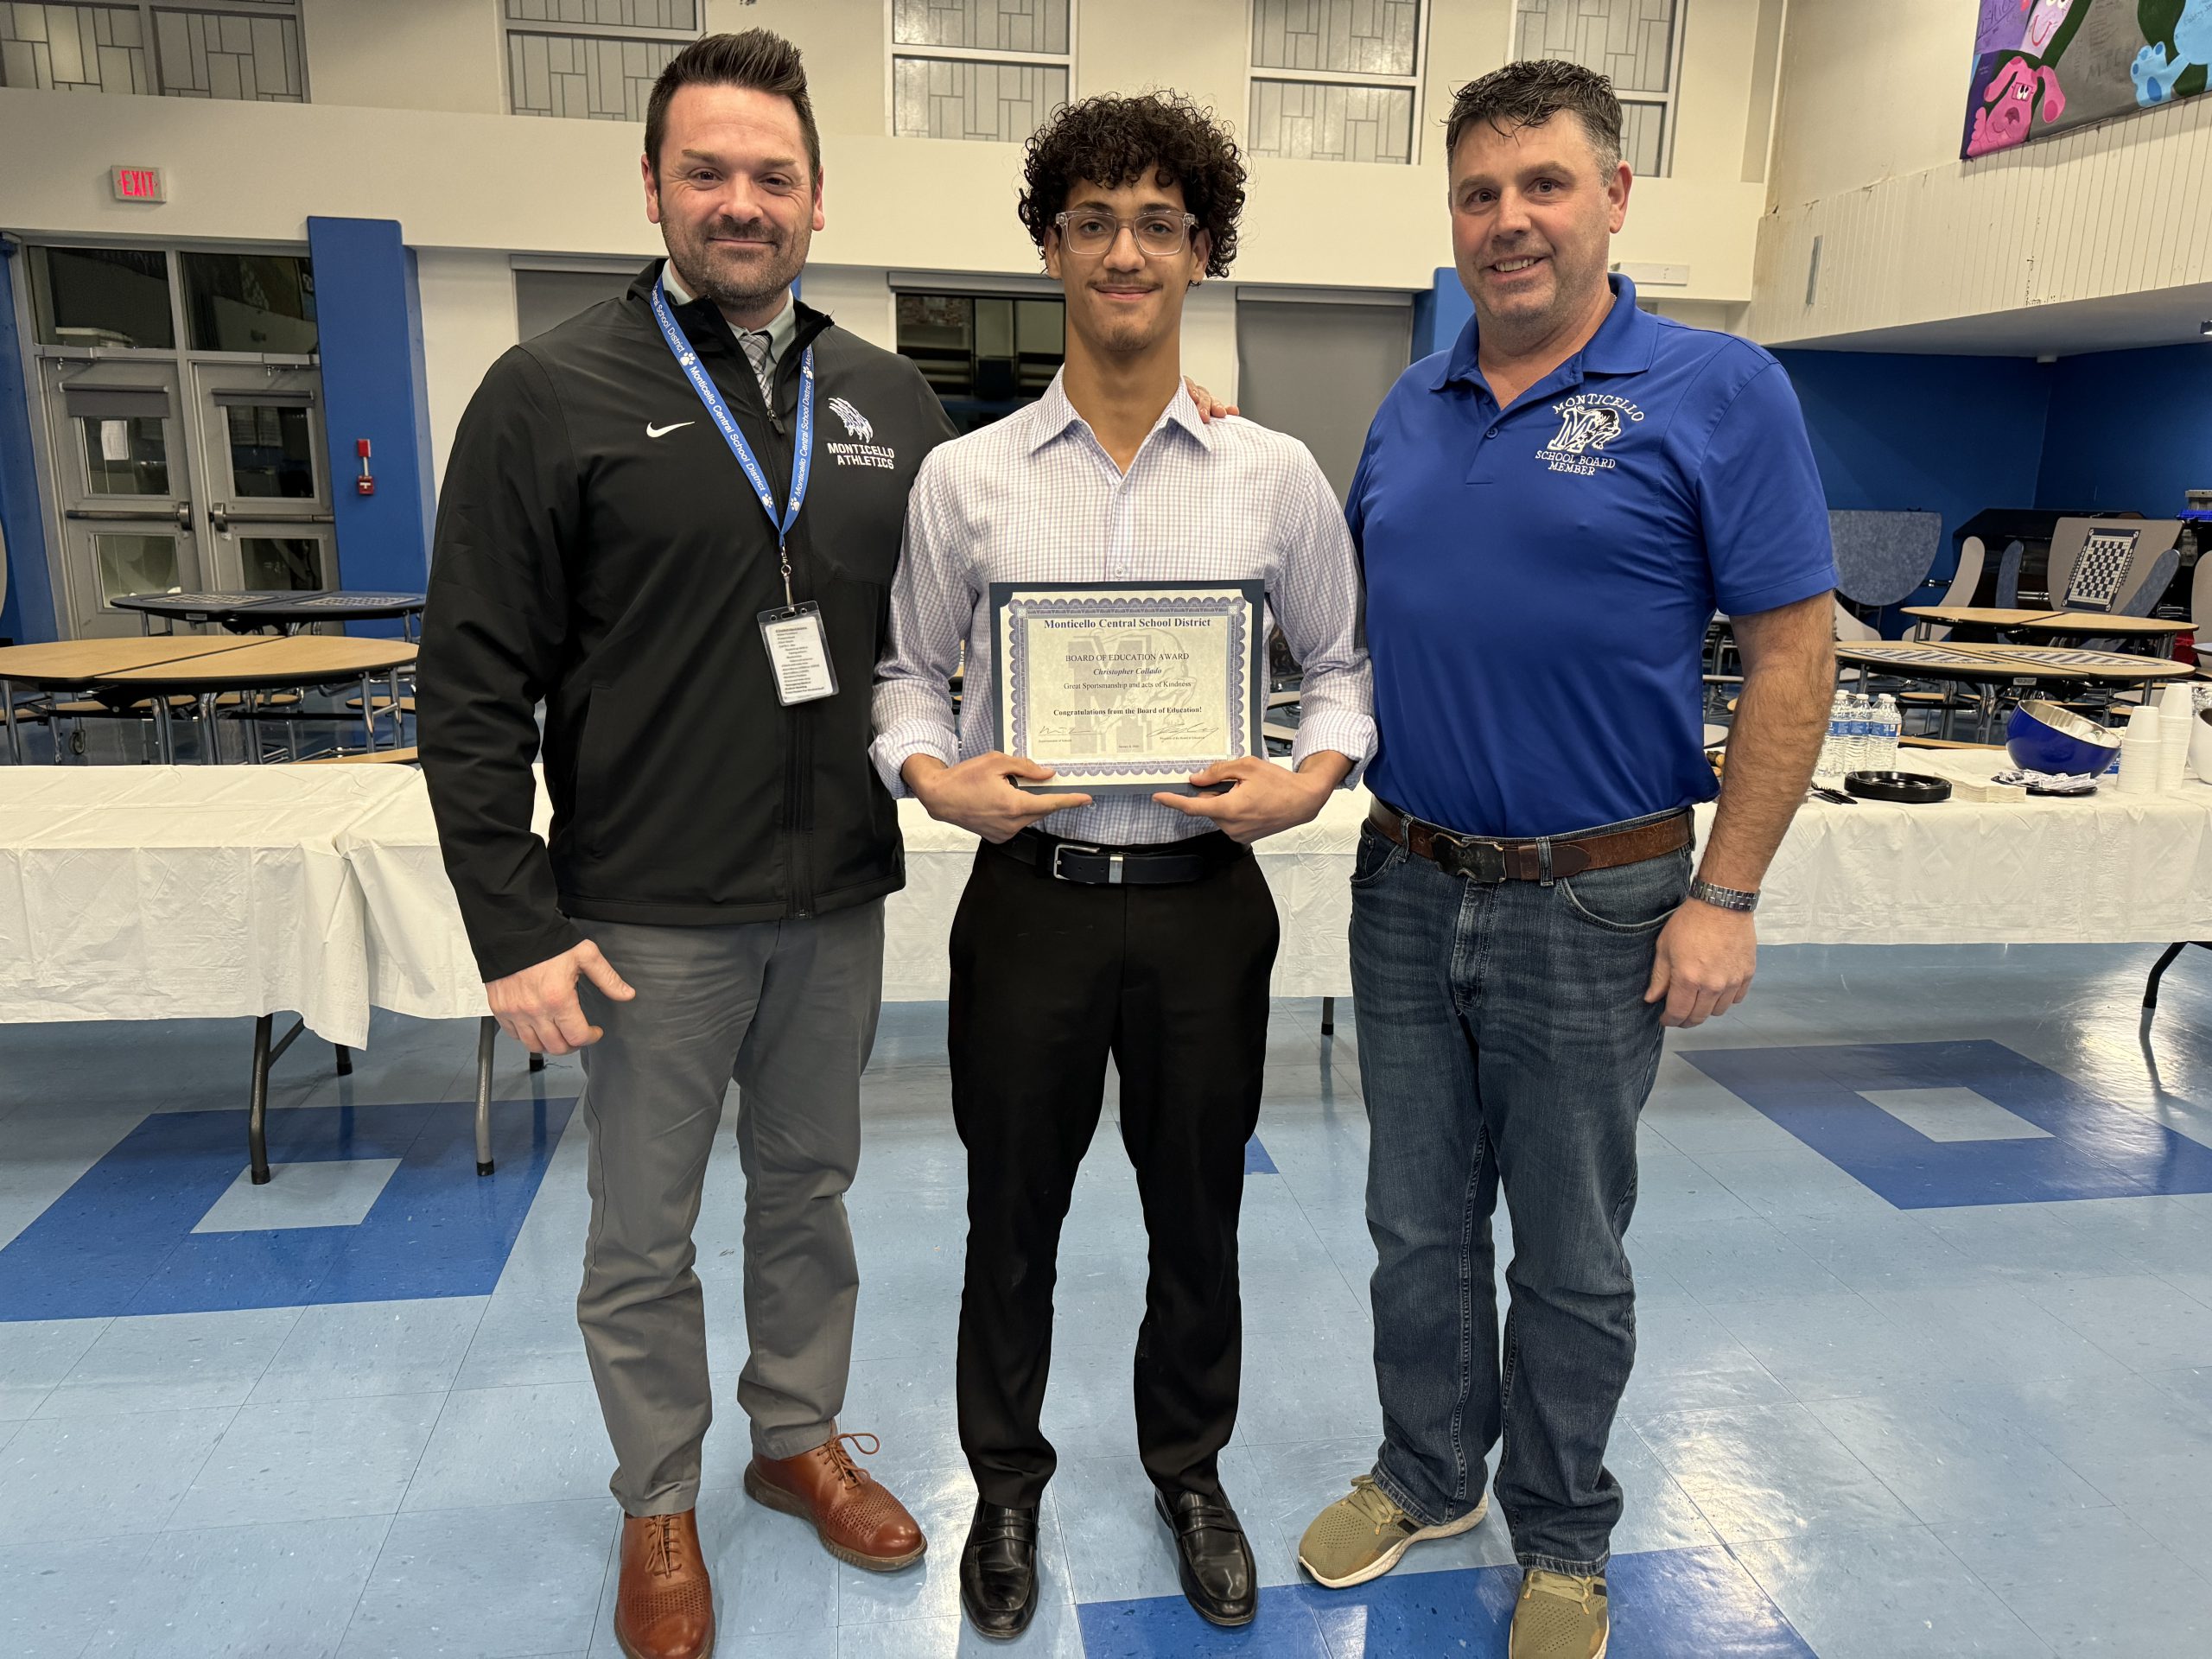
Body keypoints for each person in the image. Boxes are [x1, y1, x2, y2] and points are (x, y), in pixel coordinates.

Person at [416, 31, 957, 1659]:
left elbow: (960, 614)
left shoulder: (888, 398)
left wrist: (1154, 437)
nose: (742, 201)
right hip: (645, 916)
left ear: (815, 195)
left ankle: (796, 1440)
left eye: (772, 175)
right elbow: (471, 683)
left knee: (812, 1193)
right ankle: (661, 1500)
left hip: (837, 898)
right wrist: (512, 924)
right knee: (640, 1240)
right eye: (706, 172)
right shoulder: (550, 390)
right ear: (651, 186)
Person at [1293, 61, 1836, 1659]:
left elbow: (1790, 661)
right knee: (1415, 1225)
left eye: (1543, 184)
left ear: (1612, 197)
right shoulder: (1411, 402)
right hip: (1408, 881)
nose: (1509, 220)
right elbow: (1343, 622)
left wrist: (1725, 895)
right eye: (1479, 193)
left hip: (1601, 899)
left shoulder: (1721, 391)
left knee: (1574, 1250)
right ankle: (1425, 1471)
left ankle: (1567, 1535)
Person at [871, 92, 1375, 1639]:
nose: (1124, 250)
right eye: (1092, 219)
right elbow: (906, 676)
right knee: (1008, 1218)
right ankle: (1004, 1488)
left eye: (1159, 221)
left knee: (1196, 1216)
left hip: (1206, 911)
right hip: (1029, 906)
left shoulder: (1272, 475)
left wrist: (1304, 785)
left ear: (1202, 251)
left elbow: (1344, 667)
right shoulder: (968, 479)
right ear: (1050, 247)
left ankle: (1188, 1469)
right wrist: (938, 776)